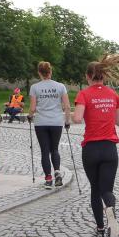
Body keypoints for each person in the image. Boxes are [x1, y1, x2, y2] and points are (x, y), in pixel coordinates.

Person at [71, 54, 119, 237]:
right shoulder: (113, 95)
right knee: (106, 190)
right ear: (104, 75)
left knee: (95, 189)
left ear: (88, 76)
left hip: (91, 149)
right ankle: (110, 208)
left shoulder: (84, 94)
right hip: (110, 149)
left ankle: (100, 228)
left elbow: (78, 118)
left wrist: (72, 114)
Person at [28, 61, 70, 189]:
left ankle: (48, 178)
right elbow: (67, 106)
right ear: (50, 71)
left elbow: (33, 108)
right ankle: (57, 172)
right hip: (56, 122)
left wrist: (30, 116)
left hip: (41, 122)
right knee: (55, 149)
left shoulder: (34, 87)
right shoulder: (61, 86)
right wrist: (67, 121)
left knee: (45, 151)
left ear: (39, 73)